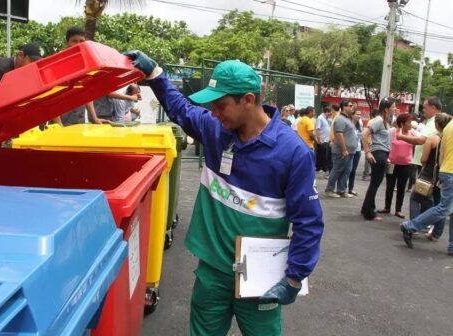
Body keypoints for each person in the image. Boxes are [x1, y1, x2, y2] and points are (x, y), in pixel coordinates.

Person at [124, 51, 324, 335]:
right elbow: (180, 108)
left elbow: (309, 221)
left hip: (260, 278)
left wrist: (294, 277)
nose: (214, 113)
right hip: (213, 271)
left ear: (249, 100)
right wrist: (155, 74)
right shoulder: (216, 129)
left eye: (221, 105)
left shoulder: (293, 153)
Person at [401, 112, 453, 257]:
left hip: (445, 171)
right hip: (449, 173)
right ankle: (410, 226)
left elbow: (440, 156)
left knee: (446, 208)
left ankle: (452, 246)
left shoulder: (448, 128)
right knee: (444, 208)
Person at [54, 27, 105, 126]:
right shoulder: (58, 63)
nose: (78, 44)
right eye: (74, 41)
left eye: (81, 41)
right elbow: (51, 96)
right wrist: (58, 123)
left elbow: (85, 92)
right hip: (61, 119)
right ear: (67, 42)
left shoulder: (84, 64)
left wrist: (94, 118)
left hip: (79, 117)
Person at [361, 97, 395, 221]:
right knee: (375, 183)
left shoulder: (385, 121)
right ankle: (370, 212)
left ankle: (366, 209)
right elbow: (364, 134)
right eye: (393, 107)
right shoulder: (379, 120)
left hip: (382, 153)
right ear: (386, 109)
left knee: (374, 183)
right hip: (378, 153)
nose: (395, 109)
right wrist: (368, 152)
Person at [377, 113, 415, 218]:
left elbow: (417, 145)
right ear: (402, 123)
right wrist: (386, 158)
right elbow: (384, 144)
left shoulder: (413, 133)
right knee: (390, 186)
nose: (410, 124)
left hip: (406, 165)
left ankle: (398, 210)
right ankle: (387, 207)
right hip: (391, 163)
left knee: (401, 187)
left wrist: (411, 158)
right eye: (408, 122)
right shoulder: (392, 132)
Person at [325, 100, 358, 198]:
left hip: (350, 151)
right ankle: (329, 190)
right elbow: (339, 135)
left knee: (347, 171)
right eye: (350, 105)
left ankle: (341, 190)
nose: (352, 107)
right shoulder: (340, 119)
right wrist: (344, 150)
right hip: (341, 151)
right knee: (337, 170)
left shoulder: (348, 119)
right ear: (344, 107)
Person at [347, 109, 363, 196]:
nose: (359, 116)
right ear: (352, 115)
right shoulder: (349, 124)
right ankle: (341, 187)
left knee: (353, 170)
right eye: (357, 114)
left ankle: (351, 188)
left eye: (360, 114)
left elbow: (361, 137)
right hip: (349, 150)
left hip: (357, 149)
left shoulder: (360, 124)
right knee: (347, 170)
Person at [315, 107, 332, 175]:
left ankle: (323, 168)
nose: (330, 114)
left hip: (326, 140)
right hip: (322, 140)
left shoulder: (325, 119)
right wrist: (319, 139)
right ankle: (320, 168)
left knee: (324, 155)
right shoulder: (320, 118)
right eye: (329, 113)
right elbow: (317, 129)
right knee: (322, 155)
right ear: (326, 112)